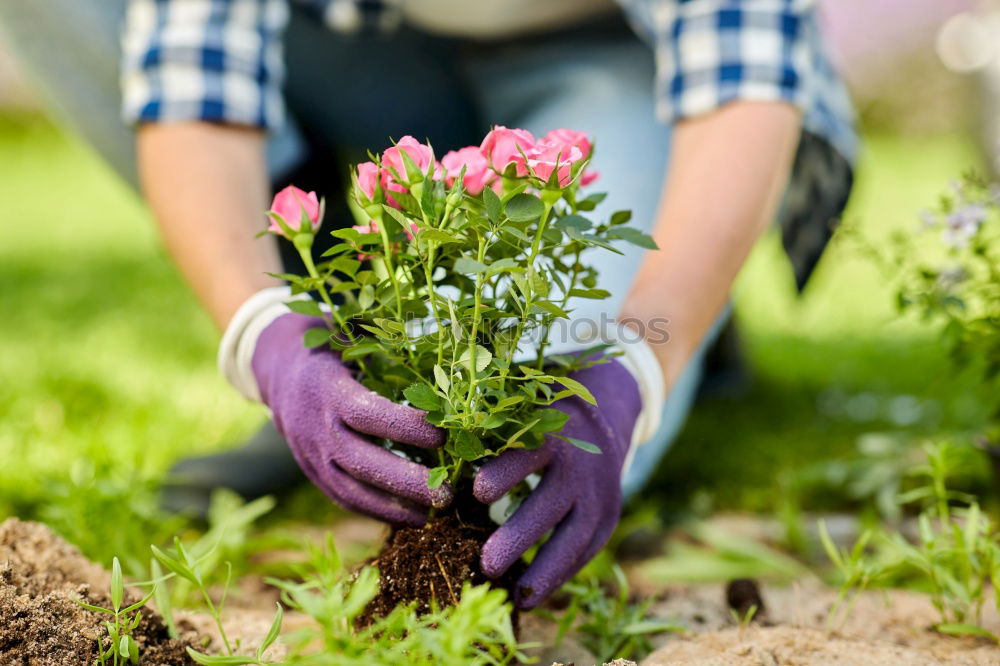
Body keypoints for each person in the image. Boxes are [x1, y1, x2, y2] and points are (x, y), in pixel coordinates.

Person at [0, 0, 856, 608]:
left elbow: (742, 84)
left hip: (610, 56)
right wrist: (267, 338)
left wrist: (638, 361)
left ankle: (685, 325)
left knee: (537, 417)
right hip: (364, 48)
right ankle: (350, 339)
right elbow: (195, 88)